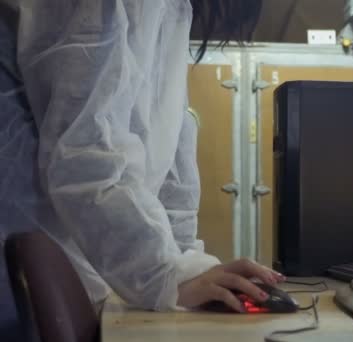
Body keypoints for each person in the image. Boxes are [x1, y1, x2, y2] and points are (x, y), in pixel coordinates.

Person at [0, 0, 278, 339]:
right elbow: (84, 155)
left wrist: (187, 264)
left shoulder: (172, 10)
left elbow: (170, 141)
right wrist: (162, 273)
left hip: (73, 255)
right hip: (22, 249)